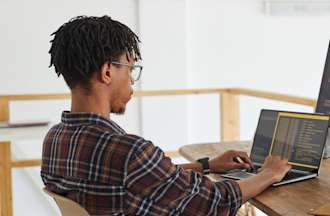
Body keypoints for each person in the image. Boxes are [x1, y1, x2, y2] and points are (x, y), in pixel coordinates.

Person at [41, 15, 291, 216]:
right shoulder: (129, 152)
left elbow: (143, 179)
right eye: (130, 69)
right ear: (107, 72)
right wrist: (269, 173)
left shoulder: (54, 139)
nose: (131, 81)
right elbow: (214, 203)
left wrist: (207, 165)